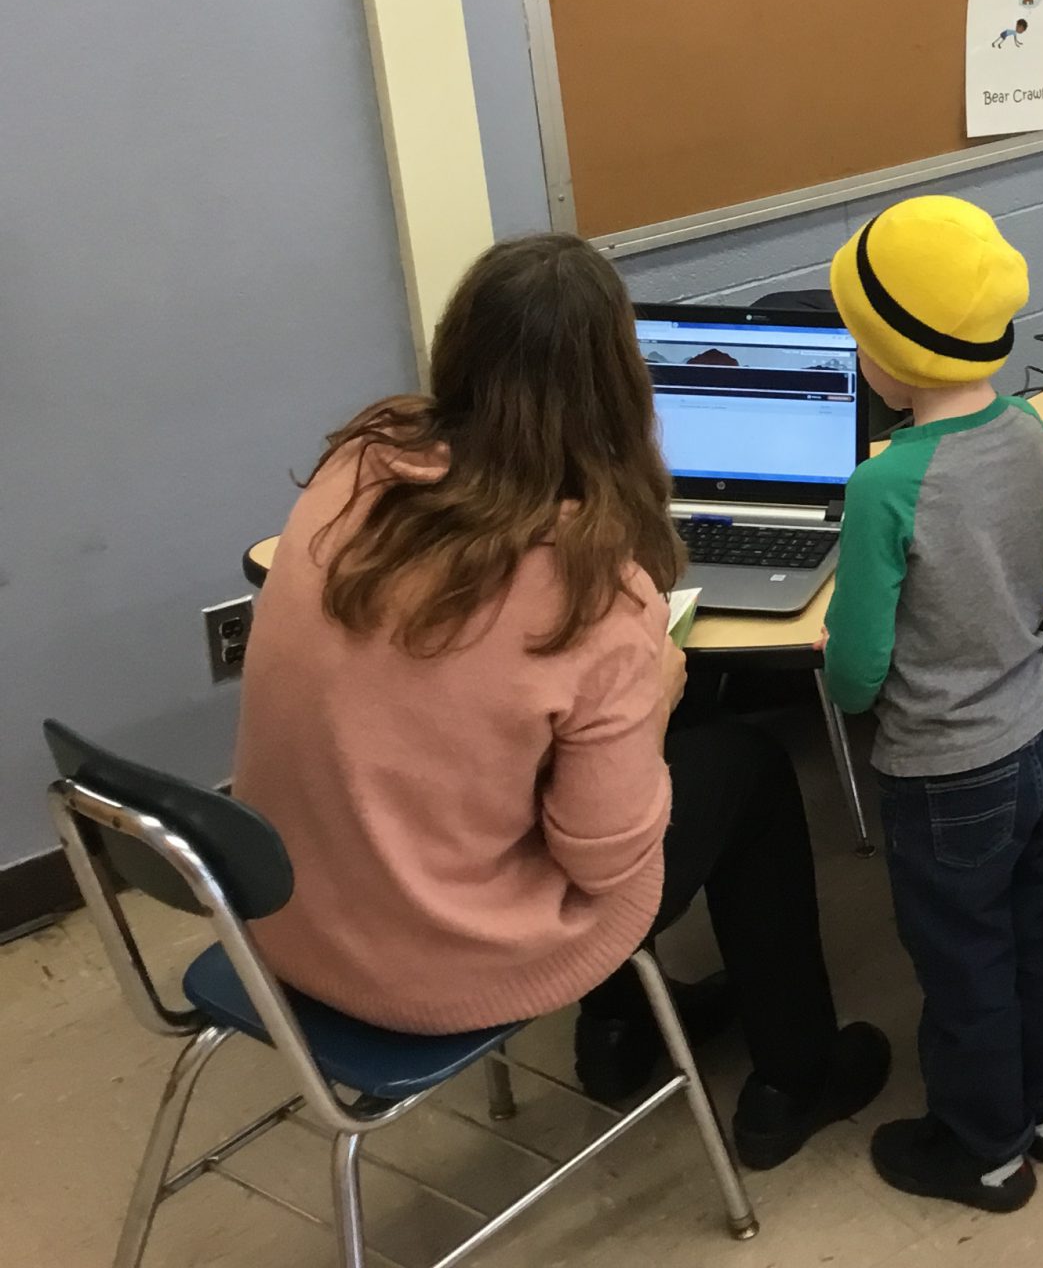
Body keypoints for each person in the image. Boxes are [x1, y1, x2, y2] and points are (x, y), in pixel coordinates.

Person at [231, 234, 889, 1173]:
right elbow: (604, 854)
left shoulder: (361, 465)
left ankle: (620, 1034)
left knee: (657, 731)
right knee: (746, 769)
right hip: (444, 958)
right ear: (623, 388)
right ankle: (798, 1072)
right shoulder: (589, 589)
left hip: (290, 907)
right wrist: (653, 691)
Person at [820, 198, 1043, 1212]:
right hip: (1034, 738)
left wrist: (844, 680)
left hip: (942, 769)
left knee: (959, 960)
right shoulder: (1029, 432)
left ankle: (983, 1150)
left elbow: (856, 667)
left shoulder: (886, 486)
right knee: (1032, 930)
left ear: (886, 358)